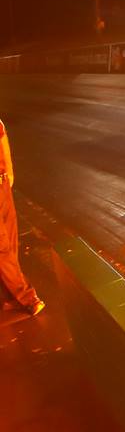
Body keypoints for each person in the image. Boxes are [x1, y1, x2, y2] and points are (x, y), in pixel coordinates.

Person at [0, 118, 45, 318]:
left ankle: (9, 298)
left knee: (10, 241)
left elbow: (2, 137)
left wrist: (9, 172)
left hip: (2, 185)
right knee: (2, 247)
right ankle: (27, 297)